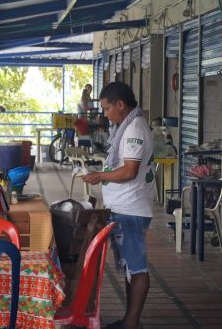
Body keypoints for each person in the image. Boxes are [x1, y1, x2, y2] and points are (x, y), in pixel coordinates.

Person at [81, 81, 154, 329]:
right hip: (123, 207)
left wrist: (100, 176)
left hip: (131, 209)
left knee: (137, 268)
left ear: (120, 105)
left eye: (106, 108)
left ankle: (131, 323)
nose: (104, 113)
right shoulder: (127, 126)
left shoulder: (134, 129)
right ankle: (129, 319)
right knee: (129, 269)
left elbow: (130, 171)